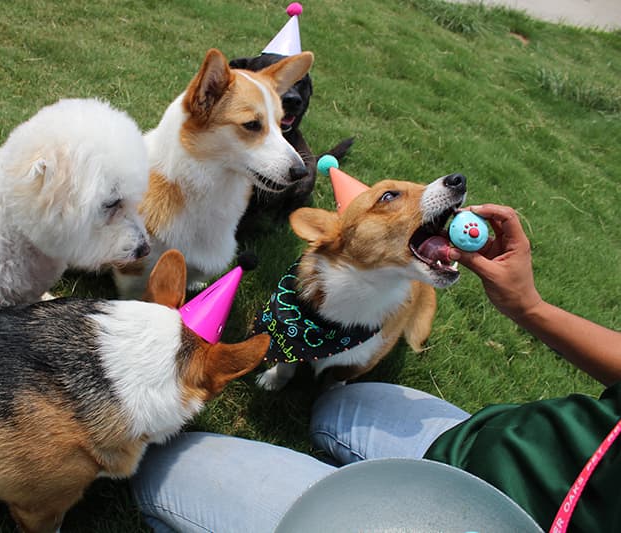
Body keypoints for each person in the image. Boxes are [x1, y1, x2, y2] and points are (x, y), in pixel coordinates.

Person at [130, 204, 621, 533]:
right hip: (487, 442)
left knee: (156, 469)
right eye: (389, 197)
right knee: (333, 409)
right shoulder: (300, 294)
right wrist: (529, 307)